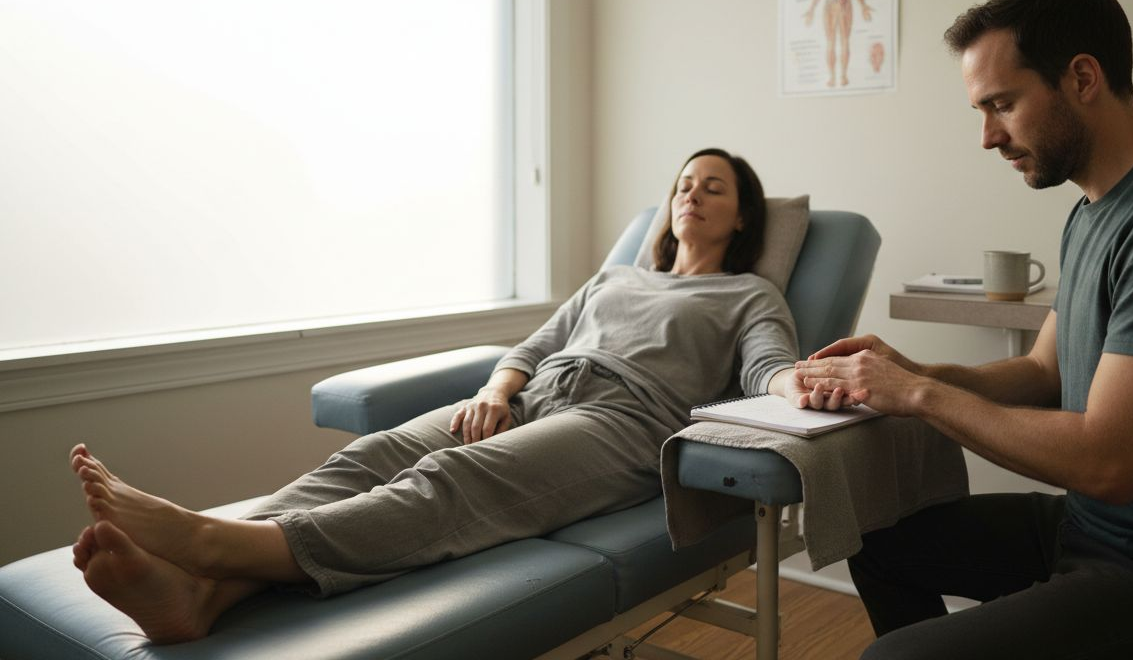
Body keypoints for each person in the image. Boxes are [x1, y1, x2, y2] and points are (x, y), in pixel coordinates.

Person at [69, 148, 808, 644]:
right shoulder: (614, 279)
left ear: (743, 215)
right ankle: (199, 594)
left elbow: (766, 368)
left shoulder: (748, 293)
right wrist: (495, 389)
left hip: (624, 420)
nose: (693, 196)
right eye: (683, 184)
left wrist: (797, 383)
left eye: (714, 188)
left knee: (450, 479)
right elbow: (535, 346)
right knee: (374, 453)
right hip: (538, 393)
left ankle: (207, 540)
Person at [794, 0, 1133, 658]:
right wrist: (905, 368)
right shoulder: (1094, 210)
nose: (987, 136)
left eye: (1001, 104)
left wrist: (916, 394)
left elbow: (1108, 463)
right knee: (880, 547)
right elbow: (1043, 370)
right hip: (1099, 533)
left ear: (1082, 78)